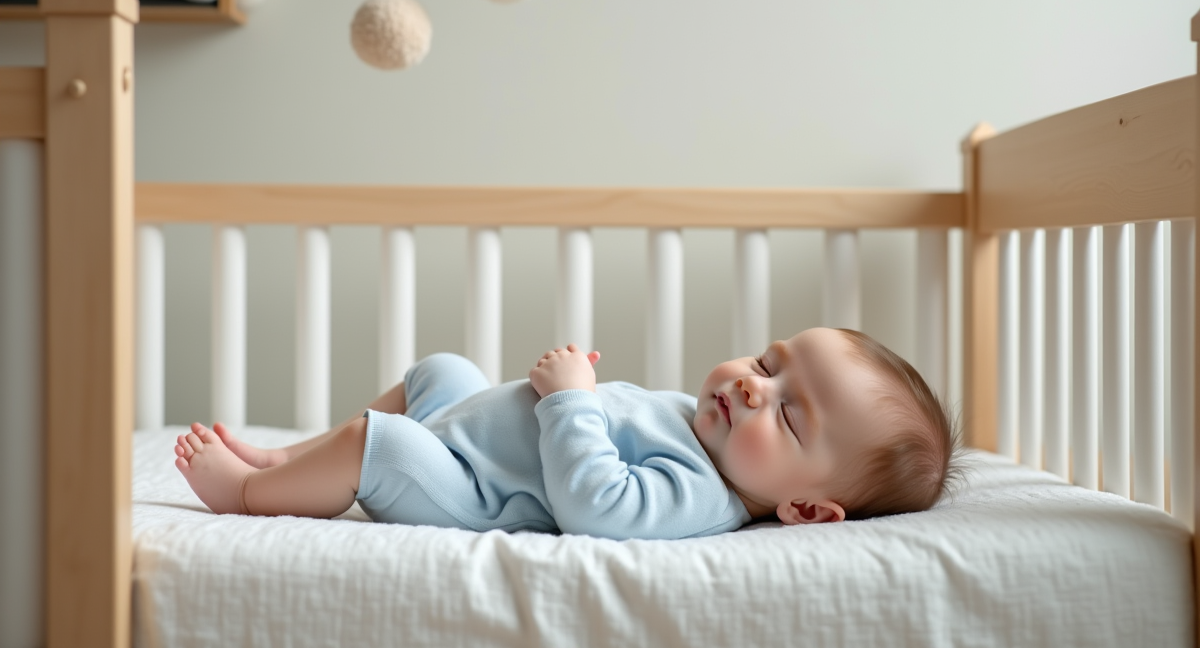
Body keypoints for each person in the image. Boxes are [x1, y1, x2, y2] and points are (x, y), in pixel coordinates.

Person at [174, 327, 957, 540]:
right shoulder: (698, 423)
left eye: (787, 414)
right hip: (472, 431)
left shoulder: (704, 497)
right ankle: (290, 457)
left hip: (473, 488)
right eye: (766, 360)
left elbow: (599, 505)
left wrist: (570, 402)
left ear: (808, 510)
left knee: (384, 441)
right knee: (440, 368)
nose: (754, 384)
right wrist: (585, 387)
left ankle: (248, 493)